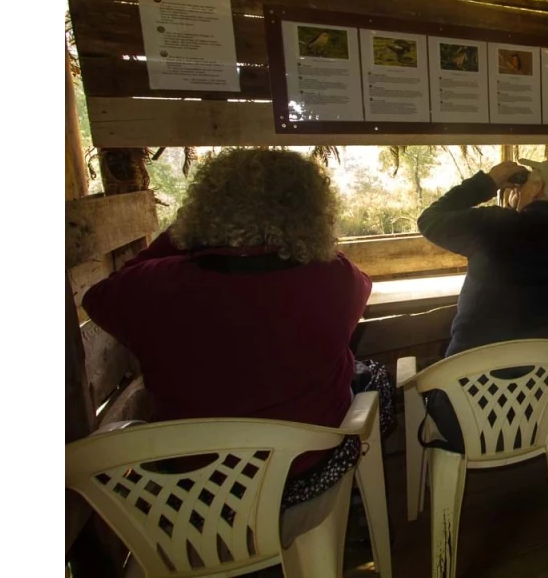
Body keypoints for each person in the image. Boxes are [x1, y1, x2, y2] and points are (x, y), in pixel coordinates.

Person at [82, 148, 392, 511]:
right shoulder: (333, 279)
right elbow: (360, 282)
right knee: (373, 379)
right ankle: (355, 503)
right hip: (304, 475)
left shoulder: (152, 286)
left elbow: (98, 297)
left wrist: (180, 234)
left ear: (202, 209)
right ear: (311, 212)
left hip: (196, 488)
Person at [417, 157, 548, 448]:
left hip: (464, 417)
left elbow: (429, 220)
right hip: (542, 413)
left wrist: (489, 182)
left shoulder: (494, 225)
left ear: (537, 189)